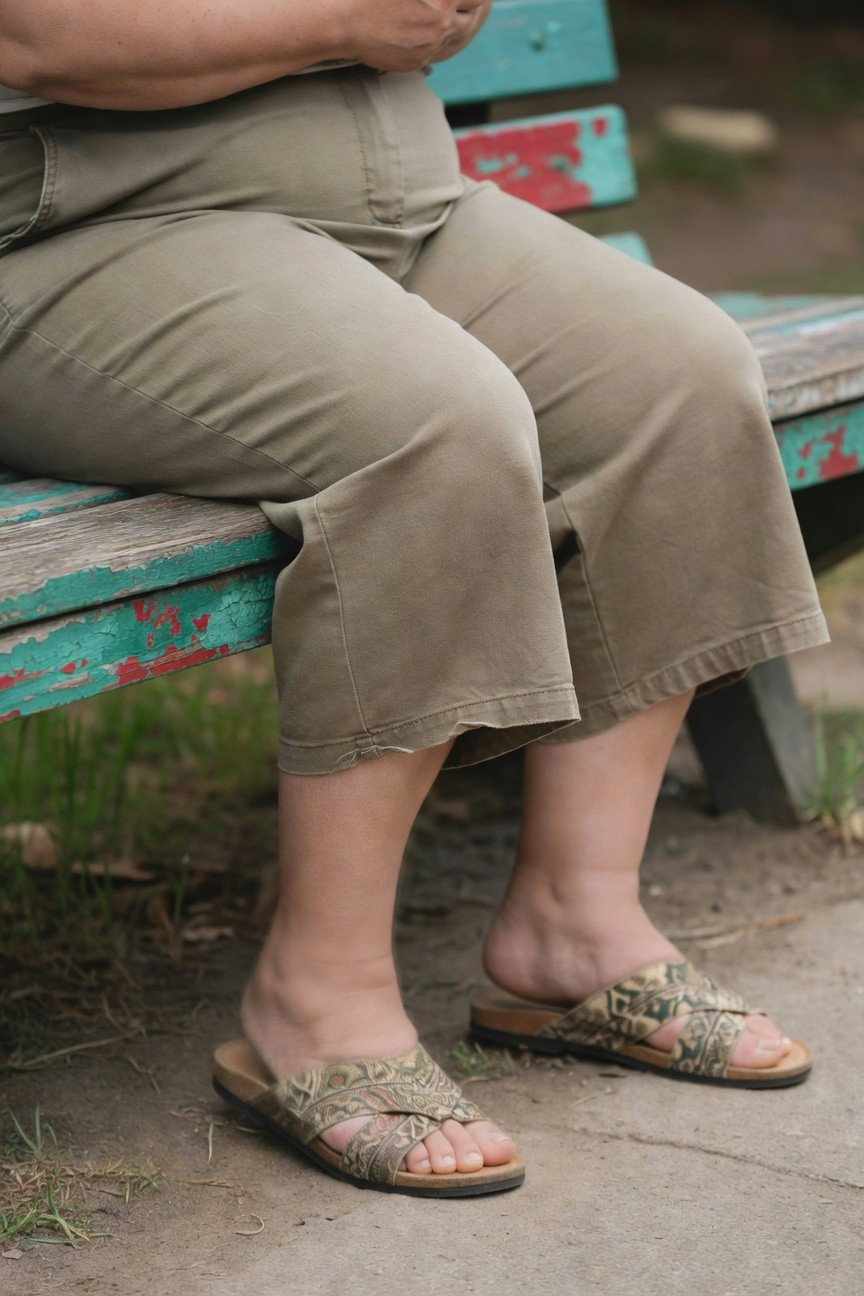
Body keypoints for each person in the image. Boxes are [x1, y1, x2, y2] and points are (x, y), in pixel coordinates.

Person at [0, 1, 827, 1197]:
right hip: (93, 229)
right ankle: (314, 1001)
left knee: (681, 378)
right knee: (434, 424)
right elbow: (39, 35)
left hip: (386, 203)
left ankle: (572, 927)